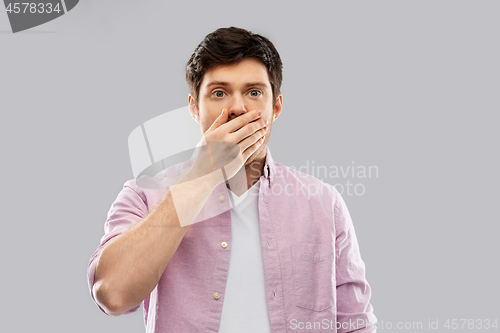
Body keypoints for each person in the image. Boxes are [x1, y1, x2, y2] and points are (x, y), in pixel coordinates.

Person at [87, 26, 377, 333]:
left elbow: (354, 322)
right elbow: (113, 295)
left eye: (254, 93)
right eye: (219, 93)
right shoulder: (145, 194)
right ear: (194, 108)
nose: (238, 108)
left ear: (275, 107)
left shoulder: (323, 203)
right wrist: (201, 175)